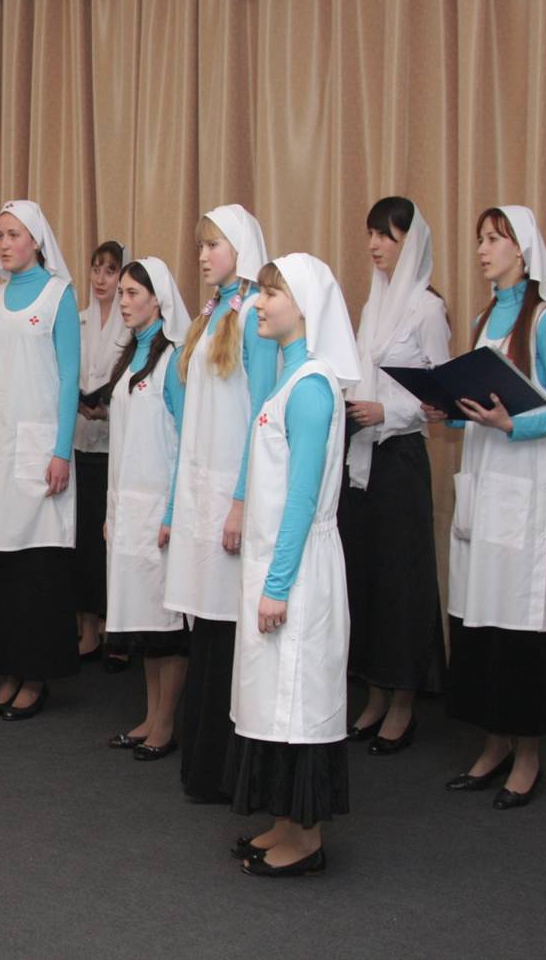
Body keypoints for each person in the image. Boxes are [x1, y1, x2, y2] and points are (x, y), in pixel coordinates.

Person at [431, 205, 546, 809]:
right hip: (483, 487)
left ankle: (528, 756)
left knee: (515, 628)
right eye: (480, 239)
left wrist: (510, 423)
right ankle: (492, 745)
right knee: (478, 623)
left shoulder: (545, 321)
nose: (483, 249)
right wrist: (450, 412)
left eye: (494, 239)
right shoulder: (480, 321)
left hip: (521, 492)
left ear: (522, 250)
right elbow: (477, 414)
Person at [226, 253, 357, 878]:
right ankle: (285, 821)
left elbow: (302, 497)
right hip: (278, 561)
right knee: (274, 704)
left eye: (271, 293)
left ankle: (308, 840)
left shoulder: (310, 386)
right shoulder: (291, 376)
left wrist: (277, 585)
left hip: (298, 570)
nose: (258, 302)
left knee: (297, 705)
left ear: (304, 307)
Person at [164, 204, 277, 803]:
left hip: (232, 495)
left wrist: (241, 500)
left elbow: (262, 416)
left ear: (241, 250)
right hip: (200, 493)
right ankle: (202, 763)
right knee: (206, 627)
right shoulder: (211, 314)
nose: (203, 255)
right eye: (200, 245)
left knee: (229, 630)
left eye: (213, 245)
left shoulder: (254, 315)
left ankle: (230, 767)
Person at [339, 198, 451, 753]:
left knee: (402, 583)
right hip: (363, 461)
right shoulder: (372, 303)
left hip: (402, 458)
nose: (375, 246)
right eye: (371, 235)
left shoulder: (428, 309)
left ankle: (404, 702)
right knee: (367, 577)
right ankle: (375, 693)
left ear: (412, 243)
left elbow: (440, 397)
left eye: (387, 236)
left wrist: (389, 411)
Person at [0, 200, 80, 721]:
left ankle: (35, 676)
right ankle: (7, 669)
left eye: (13, 235)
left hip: (39, 451)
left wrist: (60, 450)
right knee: (1, 565)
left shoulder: (58, 295)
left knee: (37, 567)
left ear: (35, 240)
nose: (4, 244)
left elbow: (70, 378)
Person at [102, 258, 190, 761]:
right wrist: (111, 512)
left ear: (159, 300)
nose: (125, 301)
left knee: (166, 625)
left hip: (159, 511)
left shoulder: (173, 361)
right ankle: (151, 714)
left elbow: (187, 440)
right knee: (143, 621)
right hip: (127, 509)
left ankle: (167, 722)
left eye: (134, 293)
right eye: (122, 293)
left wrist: (173, 511)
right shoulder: (130, 358)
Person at [74, 240, 129, 667]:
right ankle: (88, 628)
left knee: (114, 539)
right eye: (95, 269)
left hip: (116, 445)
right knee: (85, 540)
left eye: (110, 271)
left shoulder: (131, 325)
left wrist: (107, 406)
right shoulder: (78, 320)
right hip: (80, 441)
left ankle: (119, 631)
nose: (100, 278)